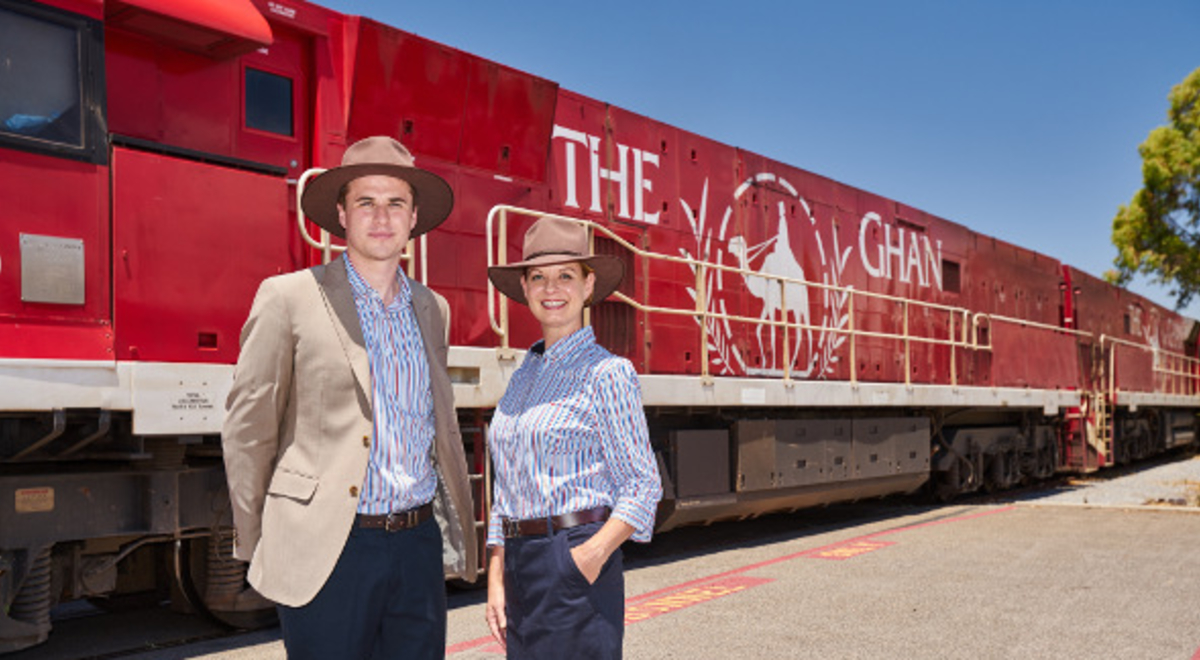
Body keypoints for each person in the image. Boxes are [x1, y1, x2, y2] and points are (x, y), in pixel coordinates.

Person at [222, 136, 477, 659]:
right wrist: (259, 541)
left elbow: (438, 428)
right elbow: (248, 430)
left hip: (417, 545)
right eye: (366, 202)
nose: (381, 217)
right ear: (341, 214)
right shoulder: (288, 297)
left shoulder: (434, 309)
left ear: (413, 218)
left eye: (395, 203)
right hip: (327, 547)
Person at [483, 216, 663, 659]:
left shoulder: (608, 373)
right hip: (519, 564)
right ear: (524, 287)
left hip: (572, 556)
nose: (551, 288)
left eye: (566, 275)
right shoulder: (522, 377)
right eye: (538, 277)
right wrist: (496, 574)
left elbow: (642, 484)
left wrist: (588, 558)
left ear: (588, 285)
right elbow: (507, 486)